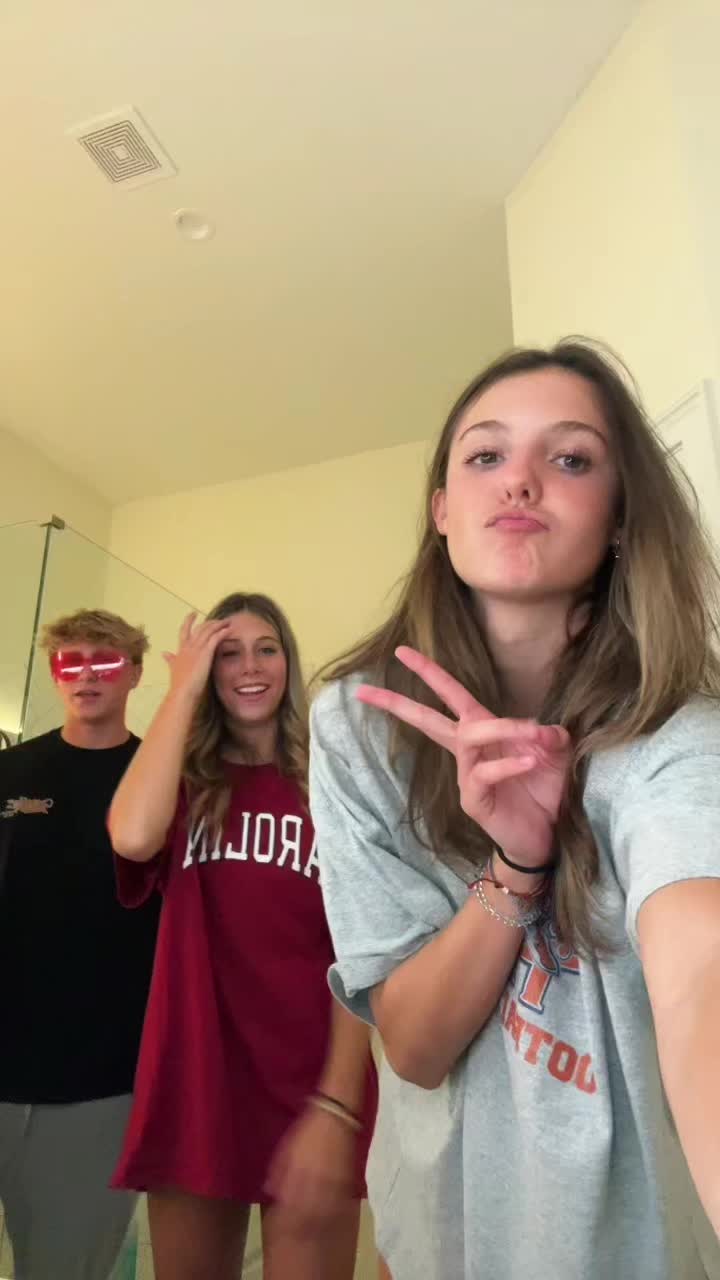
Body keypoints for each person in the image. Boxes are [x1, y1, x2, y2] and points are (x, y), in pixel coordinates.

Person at [309, 341, 720, 1280]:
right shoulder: (358, 726)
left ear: (620, 518)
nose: (521, 480)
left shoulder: (681, 736)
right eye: (486, 455)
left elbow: (702, 967)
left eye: (571, 458)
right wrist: (518, 866)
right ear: (442, 512)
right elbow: (413, 1049)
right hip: (440, 1239)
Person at [108, 593, 378, 1280]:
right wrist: (181, 689)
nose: (249, 668)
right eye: (227, 654)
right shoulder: (183, 781)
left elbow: (362, 951)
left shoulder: (332, 781)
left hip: (312, 1085)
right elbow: (132, 837)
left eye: (266, 649)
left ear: (289, 662)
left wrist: (338, 1103)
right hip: (196, 1078)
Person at [0, 608, 160, 1280]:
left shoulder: (164, 779)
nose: (86, 676)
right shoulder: (11, 772)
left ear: (136, 673)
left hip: (100, 1080)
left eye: (106, 661)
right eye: (71, 661)